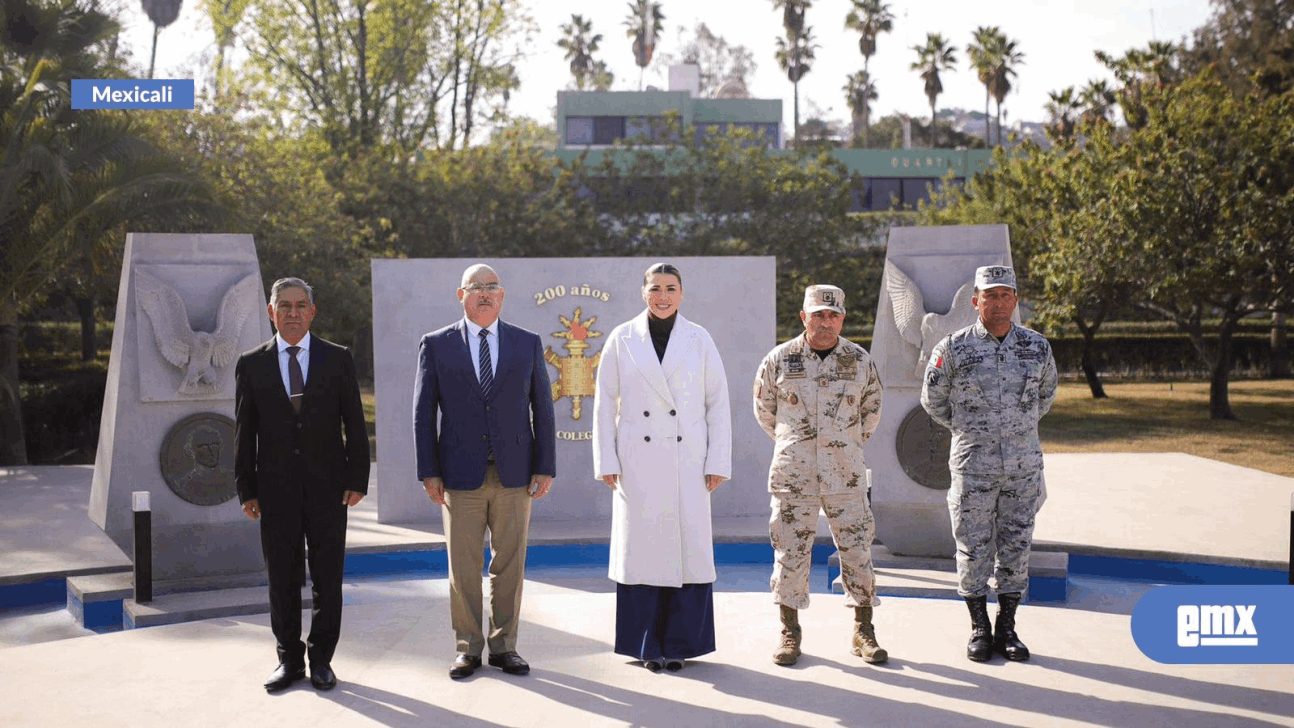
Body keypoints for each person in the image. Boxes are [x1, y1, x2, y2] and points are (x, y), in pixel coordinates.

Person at [413, 264, 556, 679]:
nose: (484, 293)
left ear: (502, 295)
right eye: (476, 287)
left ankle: (505, 647)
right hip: (458, 476)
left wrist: (544, 465)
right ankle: (468, 649)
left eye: (492, 287)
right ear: (461, 295)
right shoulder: (436, 344)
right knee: (463, 567)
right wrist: (429, 471)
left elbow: (542, 409)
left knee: (510, 564)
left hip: (516, 474)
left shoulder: (526, 343)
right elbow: (423, 414)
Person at [592, 263, 732, 672]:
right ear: (643, 292)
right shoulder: (622, 338)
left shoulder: (699, 338)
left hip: (689, 461)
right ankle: (645, 645)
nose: (663, 295)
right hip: (638, 461)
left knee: (687, 550)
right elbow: (604, 404)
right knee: (644, 551)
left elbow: (718, 404)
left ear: (682, 293)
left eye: (671, 288)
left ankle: (681, 645)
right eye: (656, 288)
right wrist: (606, 459)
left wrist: (718, 460)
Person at [235, 277, 370, 693]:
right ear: (271, 311)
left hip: (329, 488)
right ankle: (289, 660)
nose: (292, 313)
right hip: (274, 490)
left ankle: (322, 660)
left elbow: (354, 424)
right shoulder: (251, 363)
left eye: (300, 305)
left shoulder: (337, 359)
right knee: (282, 576)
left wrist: (357, 477)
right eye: (284, 306)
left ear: (312, 312)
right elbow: (244, 431)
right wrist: (247, 488)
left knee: (328, 577)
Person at [920, 265, 1057, 662]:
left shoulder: (1037, 347)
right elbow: (933, 402)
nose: (998, 303)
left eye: (1005, 295)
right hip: (973, 466)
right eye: (990, 296)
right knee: (973, 548)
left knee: (1016, 546)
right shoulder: (953, 348)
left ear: (1015, 300)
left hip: (1023, 467)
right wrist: (970, 430)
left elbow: (1045, 397)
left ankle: (1008, 627)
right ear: (975, 301)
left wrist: (1016, 429)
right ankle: (979, 627)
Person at [752, 284, 888, 666]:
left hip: (845, 474)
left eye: (832, 315)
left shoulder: (859, 361)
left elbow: (871, 412)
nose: (825, 322)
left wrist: (841, 445)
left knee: (858, 550)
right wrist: (796, 444)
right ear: (803, 317)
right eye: (818, 315)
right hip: (794, 475)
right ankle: (789, 632)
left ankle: (864, 630)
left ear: (842, 318)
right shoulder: (779, 360)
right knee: (790, 553)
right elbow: (766, 412)